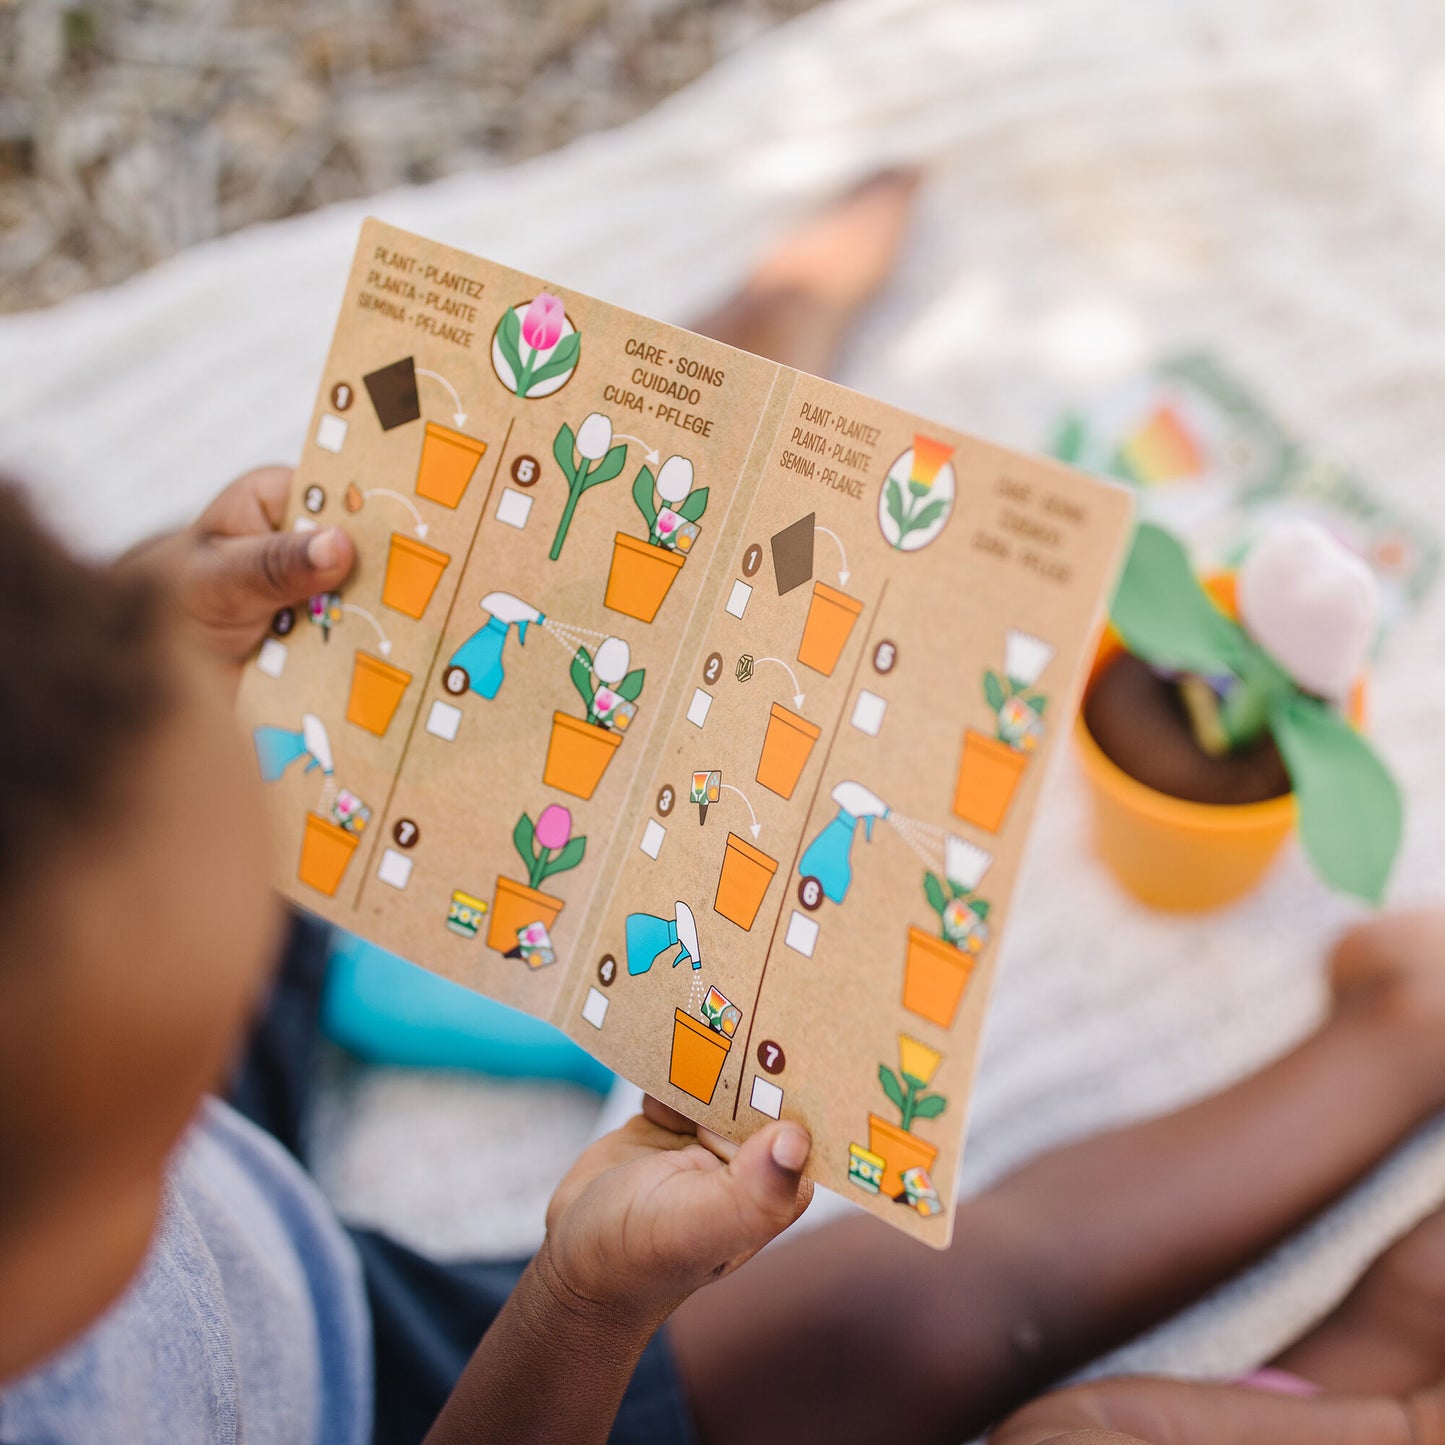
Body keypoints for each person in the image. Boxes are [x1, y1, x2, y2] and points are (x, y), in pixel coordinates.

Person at [4, 176, 1445, 1445]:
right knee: (909, 1321)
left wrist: (159, 631)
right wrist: (581, 1301)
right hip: (402, 1393)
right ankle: (1401, 1027)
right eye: (158, 1136)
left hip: (189, 1149)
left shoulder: (78, 967)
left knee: (452, 657)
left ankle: (750, 342)